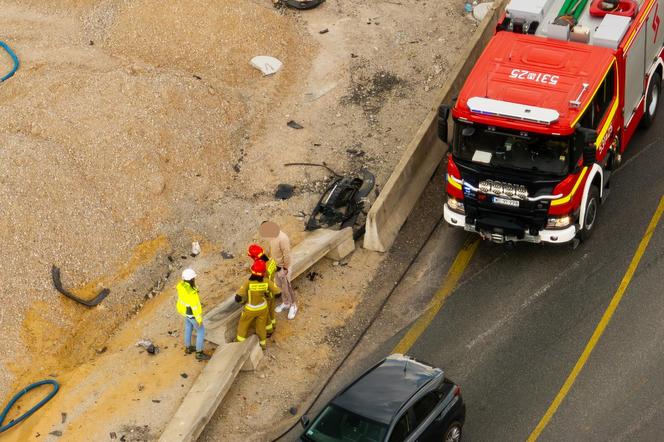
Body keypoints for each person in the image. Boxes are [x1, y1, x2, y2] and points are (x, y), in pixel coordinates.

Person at [235, 260, 281, 349]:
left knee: (243, 325)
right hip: (263, 309)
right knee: (261, 326)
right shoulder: (266, 281)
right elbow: (278, 292)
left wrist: (242, 302)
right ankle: (263, 345)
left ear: (252, 271)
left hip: (250, 309)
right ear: (263, 272)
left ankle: (239, 345)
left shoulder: (248, 282)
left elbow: (238, 297)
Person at [259, 221, 298, 319]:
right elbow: (270, 250)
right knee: (280, 285)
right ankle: (286, 303)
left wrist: (285, 268)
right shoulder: (271, 237)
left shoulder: (282, 238)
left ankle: (293, 305)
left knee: (287, 287)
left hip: (283, 266)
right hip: (275, 265)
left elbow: (287, 254)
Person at [176, 268, 211, 361]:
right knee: (201, 331)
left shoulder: (181, 286)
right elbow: (195, 307)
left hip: (185, 313)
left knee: (188, 328)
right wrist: (199, 320)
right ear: (192, 279)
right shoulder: (192, 293)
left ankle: (188, 348)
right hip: (192, 314)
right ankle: (199, 353)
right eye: (194, 278)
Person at [247, 243, 278, 335]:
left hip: (267, 294)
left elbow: (263, 282)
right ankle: (273, 324)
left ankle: (269, 331)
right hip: (273, 289)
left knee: (266, 314)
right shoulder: (271, 261)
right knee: (271, 311)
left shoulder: (263, 268)